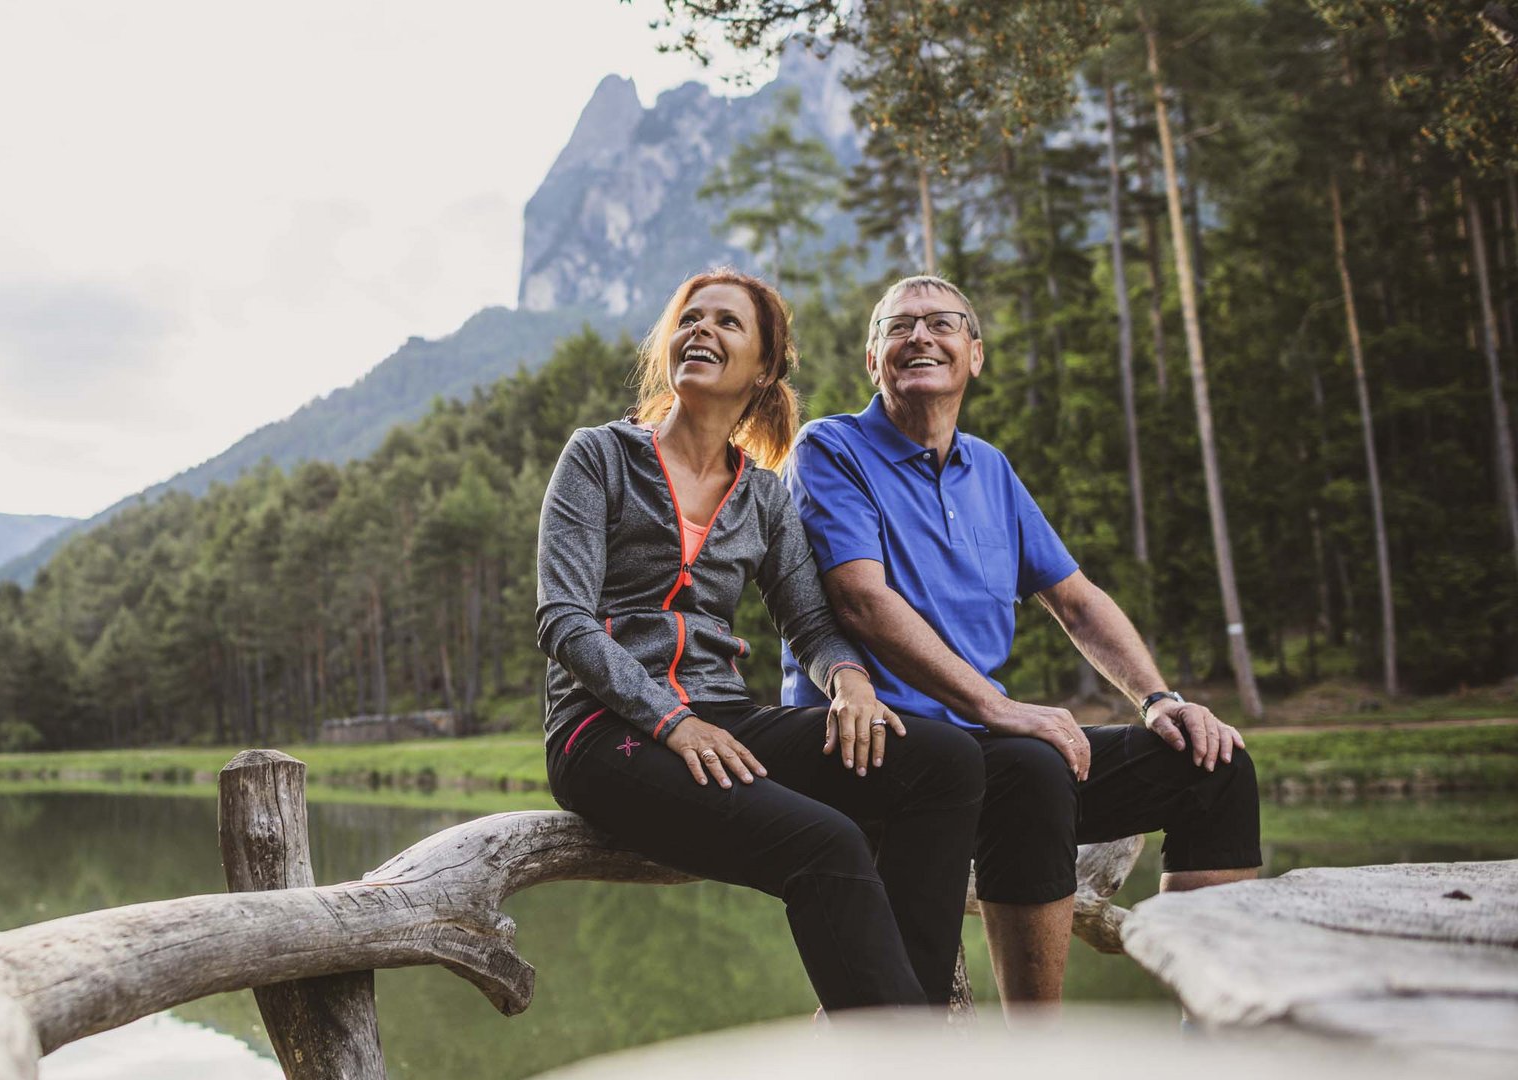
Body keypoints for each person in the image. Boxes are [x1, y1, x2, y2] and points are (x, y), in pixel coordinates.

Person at [779, 274, 1262, 1009]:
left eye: (942, 323)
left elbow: (1074, 599)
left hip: (984, 744)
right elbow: (861, 601)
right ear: (871, 360)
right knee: (1030, 767)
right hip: (876, 747)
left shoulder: (991, 470)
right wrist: (1000, 707)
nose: (920, 337)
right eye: (897, 327)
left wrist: (1159, 700)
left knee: (1212, 764)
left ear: (976, 354)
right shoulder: (831, 449)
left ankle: (1218, 1031)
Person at [537, 268, 985, 1013]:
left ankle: (911, 1030)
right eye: (690, 319)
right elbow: (564, 620)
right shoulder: (599, 457)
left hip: (724, 720)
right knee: (826, 842)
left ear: (765, 367)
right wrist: (672, 722)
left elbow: (810, 623)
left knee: (946, 762)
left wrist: (850, 681)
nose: (701, 331)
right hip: (603, 733)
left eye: (727, 323)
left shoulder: (764, 494)